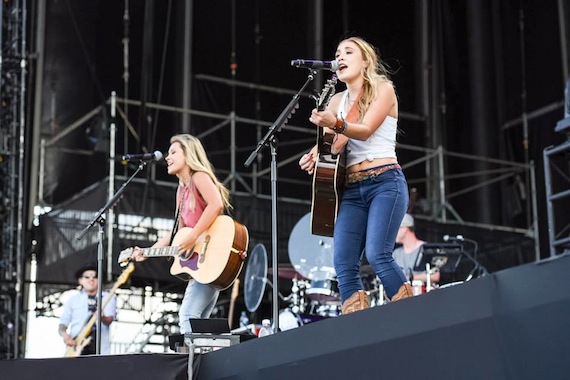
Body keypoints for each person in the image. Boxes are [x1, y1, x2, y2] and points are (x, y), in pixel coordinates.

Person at [299, 36, 413, 314]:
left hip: (385, 182)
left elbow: (364, 129)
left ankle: (410, 313)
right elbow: (330, 140)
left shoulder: (383, 89)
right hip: (351, 188)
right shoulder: (337, 99)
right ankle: (356, 323)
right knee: (343, 262)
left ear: (365, 61)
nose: (340, 57)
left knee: (378, 254)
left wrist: (335, 122)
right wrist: (314, 153)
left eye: (348, 52)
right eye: (337, 53)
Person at [130, 134, 232, 333]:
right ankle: (200, 359)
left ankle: (192, 362)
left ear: (189, 155)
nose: (168, 157)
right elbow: (178, 232)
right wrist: (148, 251)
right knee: (199, 321)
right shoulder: (181, 190)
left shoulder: (199, 177)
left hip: (210, 254)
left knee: (187, 315)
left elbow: (216, 204)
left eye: (174, 152)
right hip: (202, 263)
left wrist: (193, 236)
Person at [59, 264, 116, 355]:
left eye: (95, 276)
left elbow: (109, 319)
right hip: (76, 346)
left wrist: (103, 317)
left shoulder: (108, 297)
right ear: (80, 280)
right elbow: (63, 323)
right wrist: (65, 336)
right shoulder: (73, 300)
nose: (91, 279)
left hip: (99, 346)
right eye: (87, 277)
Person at [393, 213, 440, 286]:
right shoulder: (396, 254)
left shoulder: (427, 249)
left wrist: (408, 278)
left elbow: (435, 276)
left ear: (404, 228)